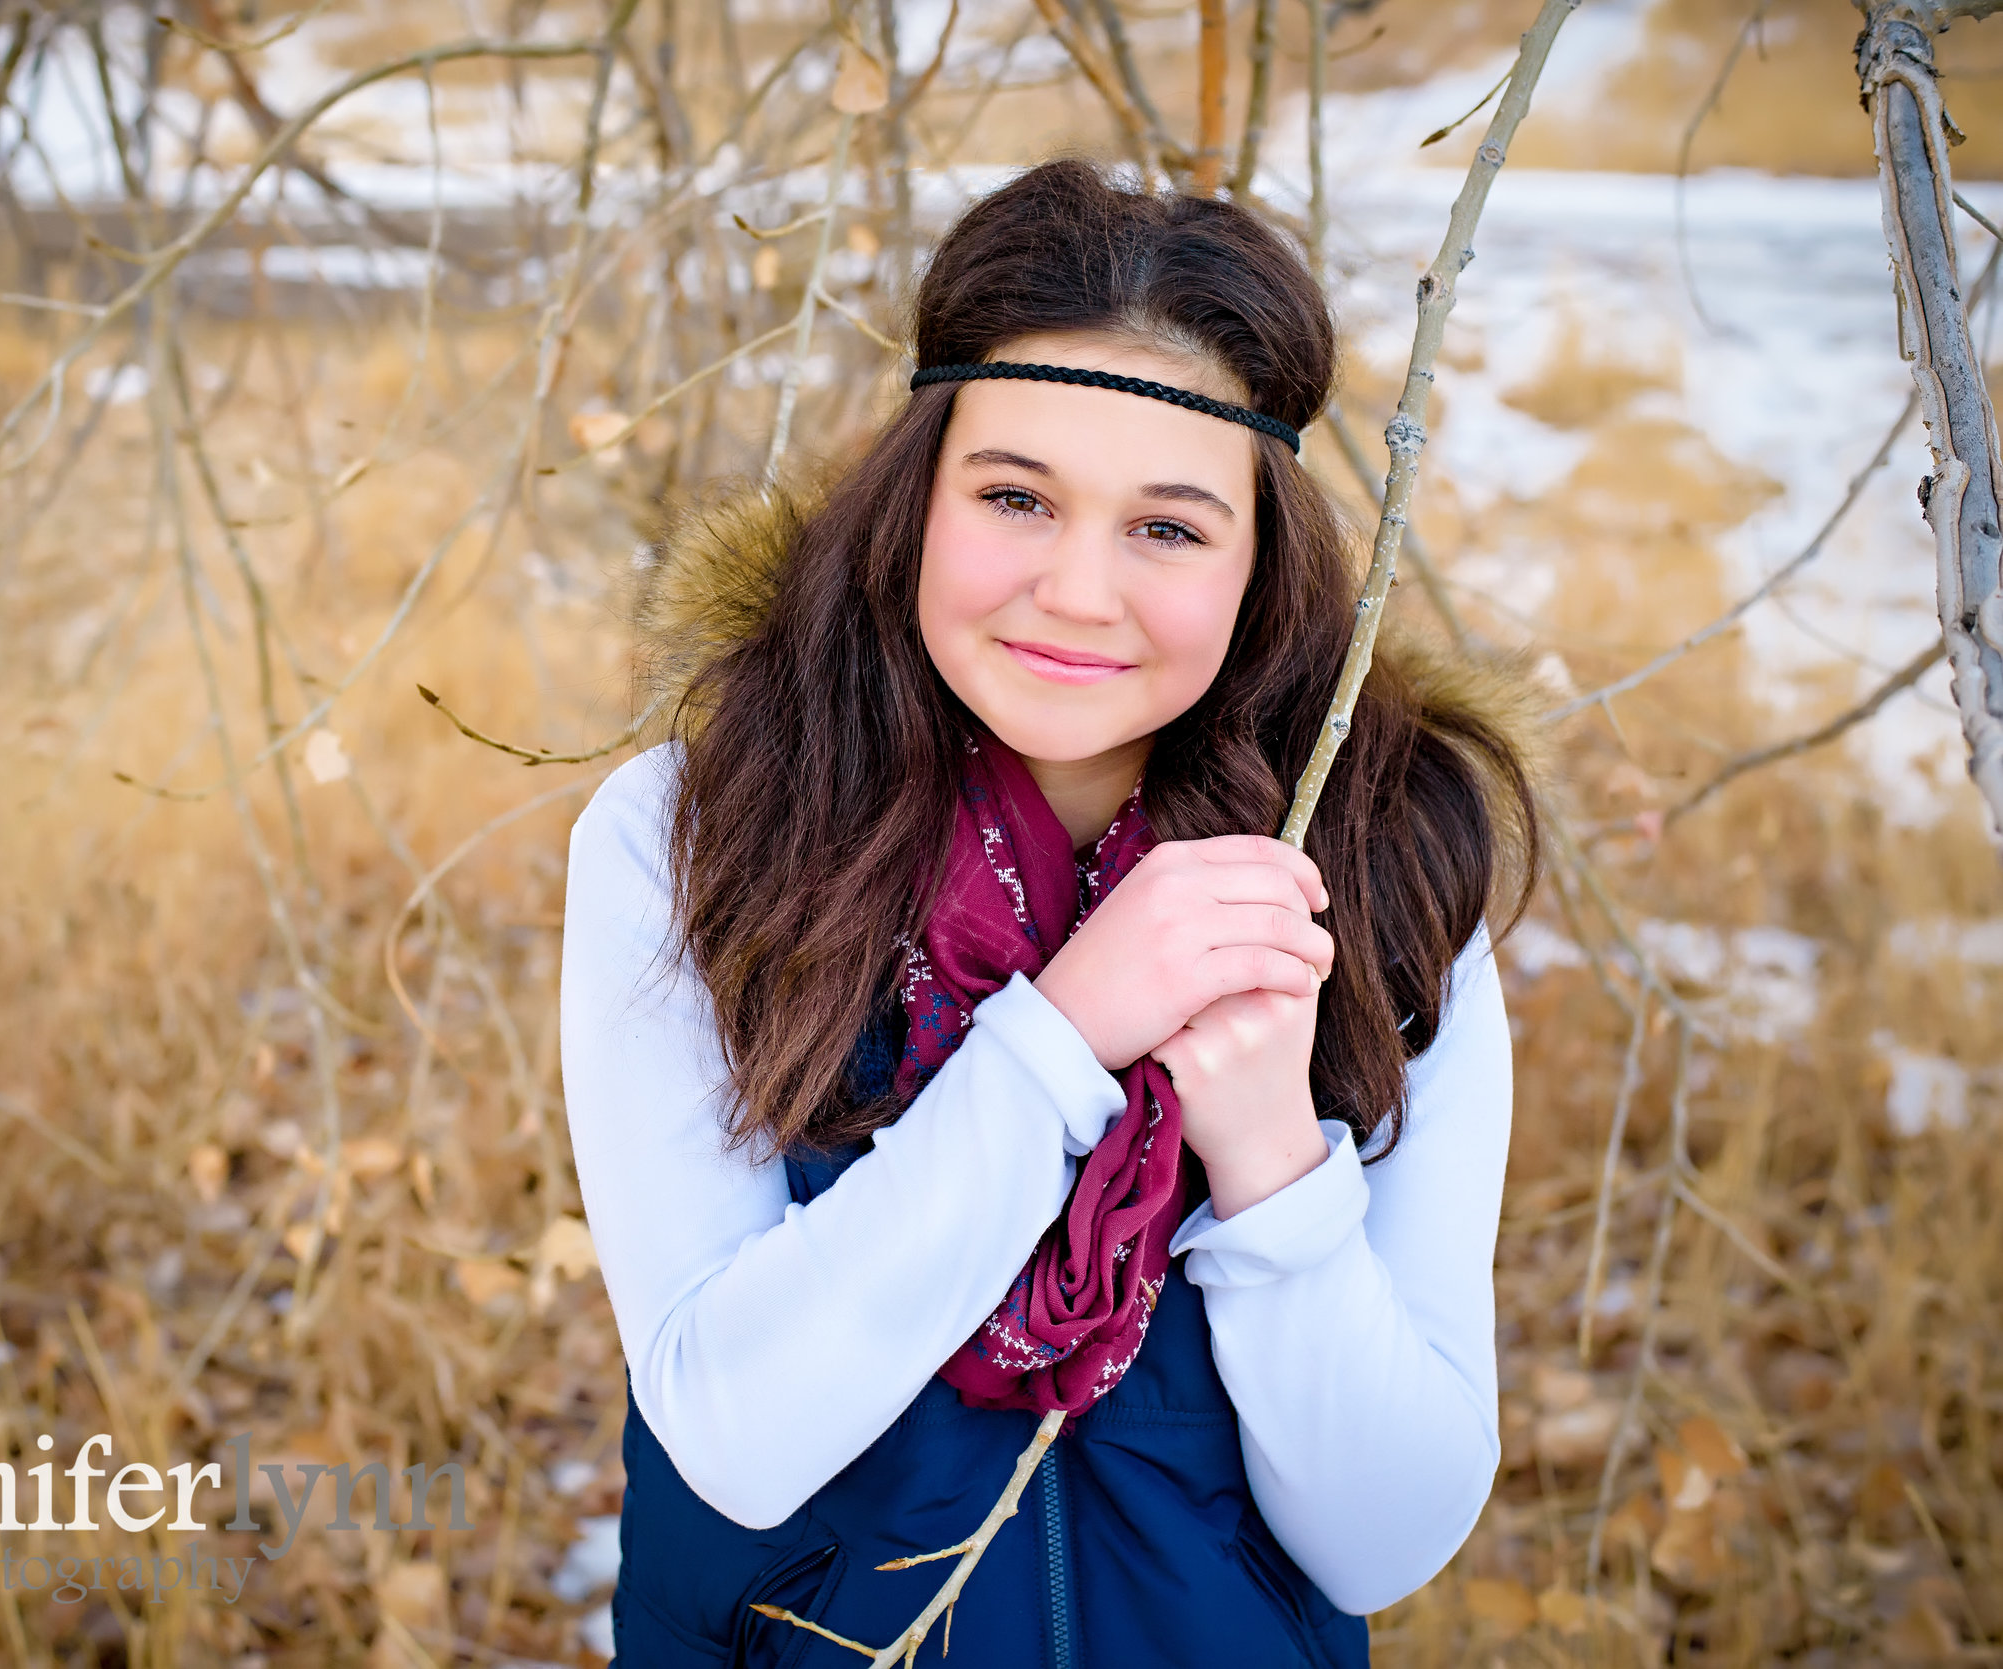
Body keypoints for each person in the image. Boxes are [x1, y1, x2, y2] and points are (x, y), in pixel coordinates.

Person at [558, 157, 1543, 1669]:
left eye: (1168, 527)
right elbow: (736, 1435)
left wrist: (1273, 1161)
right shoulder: (703, 833)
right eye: (1016, 496)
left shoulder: (1383, 863)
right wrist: (1066, 1034)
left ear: (1262, 555)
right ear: (919, 497)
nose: (1077, 592)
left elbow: (1384, 1537)